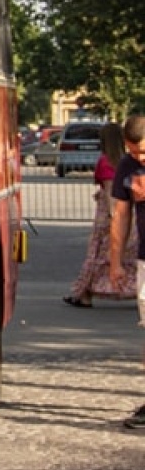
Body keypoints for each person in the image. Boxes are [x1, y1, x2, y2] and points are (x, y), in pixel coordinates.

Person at [66, 122, 134, 307]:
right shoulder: (127, 160)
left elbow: (112, 191)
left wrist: (114, 217)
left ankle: (85, 293)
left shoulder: (106, 161)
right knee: (128, 255)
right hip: (130, 212)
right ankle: (132, 289)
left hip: (109, 214)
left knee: (98, 255)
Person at [107, 115, 145, 429]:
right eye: (133, 153)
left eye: (144, 153)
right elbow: (120, 216)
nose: (139, 159)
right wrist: (116, 262)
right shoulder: (126, 167)